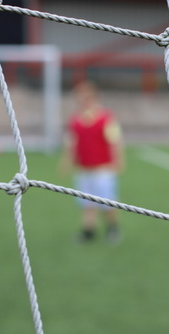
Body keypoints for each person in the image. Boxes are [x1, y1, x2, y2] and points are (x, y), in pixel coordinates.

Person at [60, 81, 124, 244]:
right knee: (86, 203)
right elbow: (71, 143)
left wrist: (118, 160)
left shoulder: (105, 117)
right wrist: (66, 162)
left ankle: (112, 228)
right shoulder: (75, 120)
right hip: (84, 168)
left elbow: (115, 140)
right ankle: (89, 230)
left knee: (107, 201)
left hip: (103, 168)